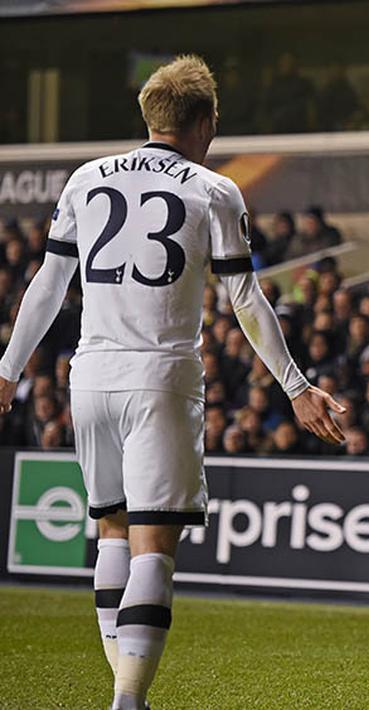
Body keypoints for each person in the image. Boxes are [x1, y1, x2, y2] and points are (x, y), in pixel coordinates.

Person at [0, 56, 344, 710]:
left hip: (90, 377)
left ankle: (126, 696)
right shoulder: (213, 190)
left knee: (110, 530)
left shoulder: (85, 178)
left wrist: (6, 370)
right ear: (205, 121)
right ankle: (128, 700)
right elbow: (245, 300)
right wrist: (296, 385)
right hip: (160, 377)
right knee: (153, 545)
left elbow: (47, 285)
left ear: (148, 115)